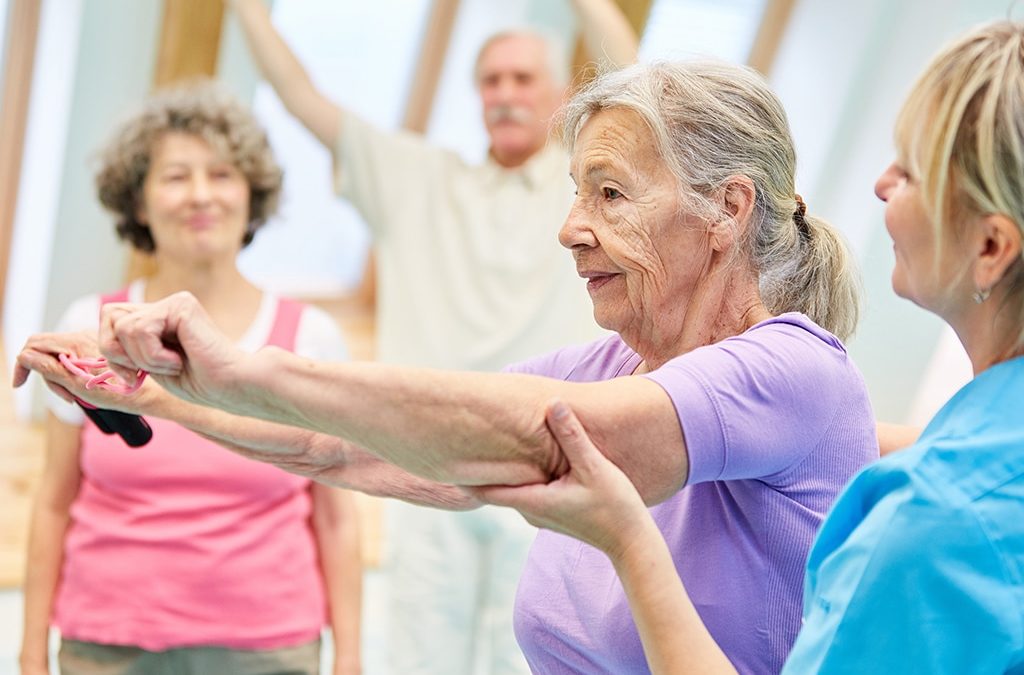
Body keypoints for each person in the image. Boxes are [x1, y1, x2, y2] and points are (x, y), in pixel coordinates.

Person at [17, 60, 880, 674]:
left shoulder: (792, 368)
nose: (571, 226)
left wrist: (242, 367)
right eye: (576, 191)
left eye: (609, 192)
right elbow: (352, 445)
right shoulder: (614, 361)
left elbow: (538, 436)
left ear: (728, 208)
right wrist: (162, 396)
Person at [475, 20, 1024, 674]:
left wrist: (627, 537)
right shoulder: (971, 451)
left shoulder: (929, 513)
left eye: (910, 170)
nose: (880, 184)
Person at [229, 2, 638, 672]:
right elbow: (302, 100)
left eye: (523, 79)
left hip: (553, 465)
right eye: (491, 80)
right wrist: (247, 13)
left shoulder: (589, 189)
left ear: (562, 94)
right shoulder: (416, 179)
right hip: (426, 465)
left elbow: (632, 79)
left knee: (537, 659)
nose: (505, 94)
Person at [17, 84, 362, 675]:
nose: (201, 195)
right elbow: (53, 501)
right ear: (139, 203)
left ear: (251, 196)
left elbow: (335, 515)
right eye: (176, 177)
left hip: (271, 648)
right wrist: (29, 654)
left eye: (222, 174)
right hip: (106, 644)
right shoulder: (88, 328)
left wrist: (350, 659)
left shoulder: (313, 337)